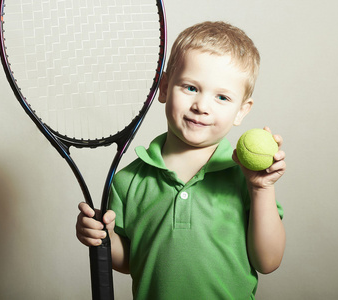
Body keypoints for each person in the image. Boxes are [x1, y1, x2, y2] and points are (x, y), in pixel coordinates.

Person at [76, 21, 286, 299]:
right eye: (190, 88)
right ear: (163, 88)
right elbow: (131, 261)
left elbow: (268, 262)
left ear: (241, 111)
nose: (201, 106)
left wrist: (261, 189)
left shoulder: (244, 178)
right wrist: (104, 239)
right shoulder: (128, 181)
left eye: (222, 97)